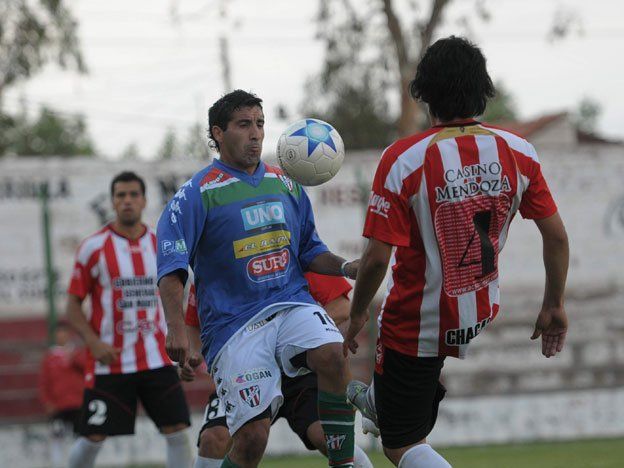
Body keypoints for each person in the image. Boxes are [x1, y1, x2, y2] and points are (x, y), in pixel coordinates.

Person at [343, 36, 569, 468]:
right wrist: (554, 304)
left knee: (401, 446)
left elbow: (375, 259)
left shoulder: (405, 159)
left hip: (417, 319)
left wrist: (356, 316)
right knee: (404, 413)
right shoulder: (518, 152)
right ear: (482, 91)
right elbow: (556, 237)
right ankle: (379, 398)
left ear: (425, 94)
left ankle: (381, 402)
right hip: (478, 307)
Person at [157, 89, 359, 468]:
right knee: (251, 439)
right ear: (218, 133)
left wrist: (347, 267)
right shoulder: (196, 194)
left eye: (260, 124)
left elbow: (310, 251)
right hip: (235, 327)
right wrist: (176, 329)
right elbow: (171, 267)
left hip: (290, 304)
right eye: (244, 125)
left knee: (332, 353)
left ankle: (343, 463)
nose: (255, 134)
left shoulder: (286, 184)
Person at [65, 171, 193, 468]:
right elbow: (72, 306)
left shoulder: (162, 245)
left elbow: (181, 300)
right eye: (121, 195)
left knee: (177, 432)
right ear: (112, 202)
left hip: (157, 360)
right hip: (111, 361)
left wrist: (186, 348)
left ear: (144, 200)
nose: (127, 201)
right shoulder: (93, 248)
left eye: (133, 194)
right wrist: (94, 343)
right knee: (92, 437)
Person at [181, 273, 373, 468]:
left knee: (329, 439)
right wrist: (193, 353)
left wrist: (296, 334)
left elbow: (342, 306)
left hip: (298, 373)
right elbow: (193, 323)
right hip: (244, 368)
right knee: (214, 439)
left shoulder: (290, 253)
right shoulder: (212, 264)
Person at [39, 321, 86, 467]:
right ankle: (58, 464)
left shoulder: (77, 353)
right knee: (57, 438)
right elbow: (44, 382)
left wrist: (72, 356)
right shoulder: (50, 357)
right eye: (58, 333)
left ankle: (79, 464)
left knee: (80, 438)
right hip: (58, 406)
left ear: (69, 334)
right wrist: (47, 402)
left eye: (64, 333)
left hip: (78, 403)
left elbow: (86, 368)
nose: (61, 336)